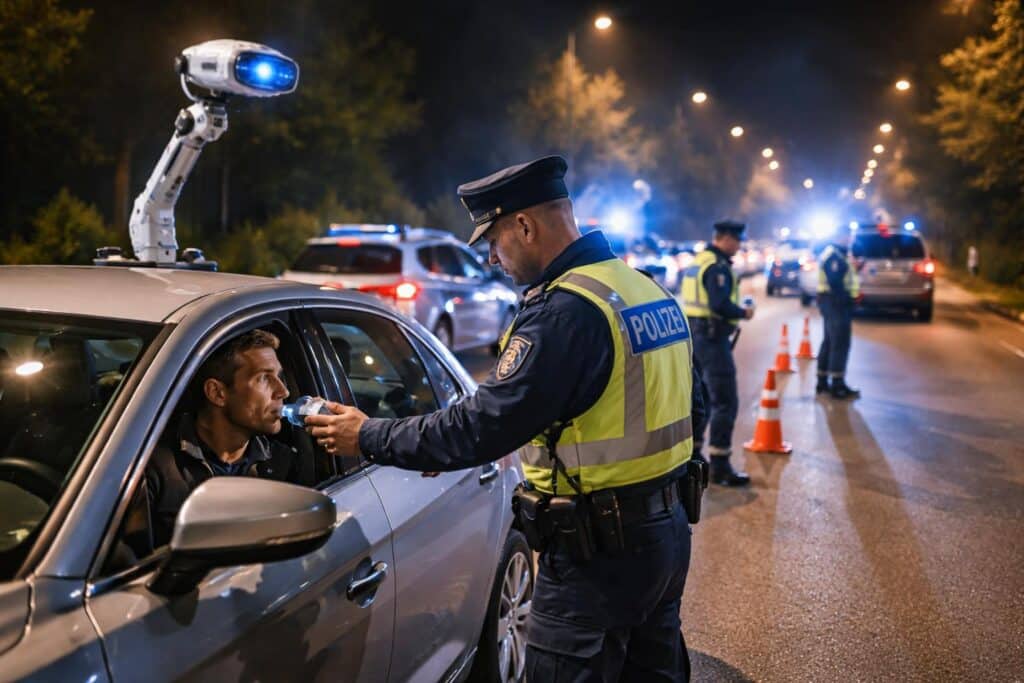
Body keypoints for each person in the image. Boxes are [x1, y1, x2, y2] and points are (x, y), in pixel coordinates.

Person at [306, 155, 706, 682]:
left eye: (493, 241)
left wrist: (368, 434)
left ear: (525, 225)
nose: (493, 258)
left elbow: (483, 425)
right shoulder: (642, 288)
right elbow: (693, 405)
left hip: (597, 555)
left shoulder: (565, 313)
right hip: (666, 534)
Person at [144, 329, 308, 547]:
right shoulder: (154, 468)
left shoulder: (282, 463)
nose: (283, 391)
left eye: (278, 376)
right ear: (217, 393)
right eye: (264, 378)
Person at [680, 220, 754, 487]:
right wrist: (743, 312)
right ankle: (720, 467)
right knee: (725, 401)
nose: (739, 246)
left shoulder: (699, 260)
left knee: (702, 401)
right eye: (737, 241)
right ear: (725, 238)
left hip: (695, 338)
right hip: (712, 340)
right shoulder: (716, 266)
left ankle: (694, 459)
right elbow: (719, 304)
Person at [816, 225, 861, 399]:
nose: (851, 239)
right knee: (839, 343)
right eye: (848, 235)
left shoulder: (838, 254)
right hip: (836, 303)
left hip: (832, 303)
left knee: (829, 342)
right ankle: (837, 385)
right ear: (839, 236)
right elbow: (835, 283)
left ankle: (822, 381)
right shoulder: (834, 256)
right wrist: (848, 300)